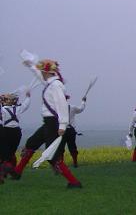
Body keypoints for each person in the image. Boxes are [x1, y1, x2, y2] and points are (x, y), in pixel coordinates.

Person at [9, 59, 82, 188]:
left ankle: (74, 182)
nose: (41, 74)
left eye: (43, 71)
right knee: (31, 143)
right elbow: (39, 76)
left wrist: (63, 125)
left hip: (54, 123)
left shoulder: (55, 86)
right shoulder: (51, 83)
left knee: (52, 155)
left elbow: (62, 105)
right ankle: (17, 172)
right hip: (49, 123)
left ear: (47, 73)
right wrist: (31, 66)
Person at [0, 91, 31, 180]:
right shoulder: (18, 108)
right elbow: (26, 105)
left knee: (4, 155)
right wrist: (28, 97)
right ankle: (9, 172)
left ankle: (10, 172)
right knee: (11, 153)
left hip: (5, 132)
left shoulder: (3, 110)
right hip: (17, 133)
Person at [64, 95, 86, 168]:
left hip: (61, 130)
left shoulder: (57, 108)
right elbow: (81, 109)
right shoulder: (72, 107)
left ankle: (60, 165)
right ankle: (75, 163)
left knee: (60, 148)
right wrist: (83, 101)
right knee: (72, 147)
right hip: (71, 130)